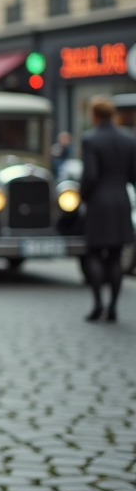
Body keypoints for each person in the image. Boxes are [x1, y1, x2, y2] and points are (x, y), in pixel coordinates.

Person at [80, 96, 136, 322]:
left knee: (93, 252)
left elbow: (90, 176)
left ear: (95, 115)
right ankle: (112, 307)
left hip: (99, 202)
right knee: (115, 256)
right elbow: (133, 176)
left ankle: (98, 304)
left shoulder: (91, 140)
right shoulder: (129, 140)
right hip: (120, 200)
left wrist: (83, 196)